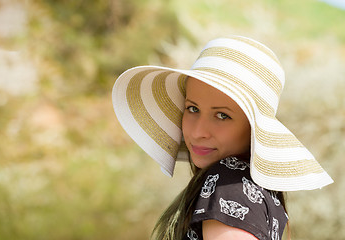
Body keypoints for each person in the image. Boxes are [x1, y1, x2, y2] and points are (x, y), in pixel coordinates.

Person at [112, 36, 333, 240]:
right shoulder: (252, 186)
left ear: (254, 128)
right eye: (192, 109)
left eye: (222, 115)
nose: (199, 131)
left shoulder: (229, 185)